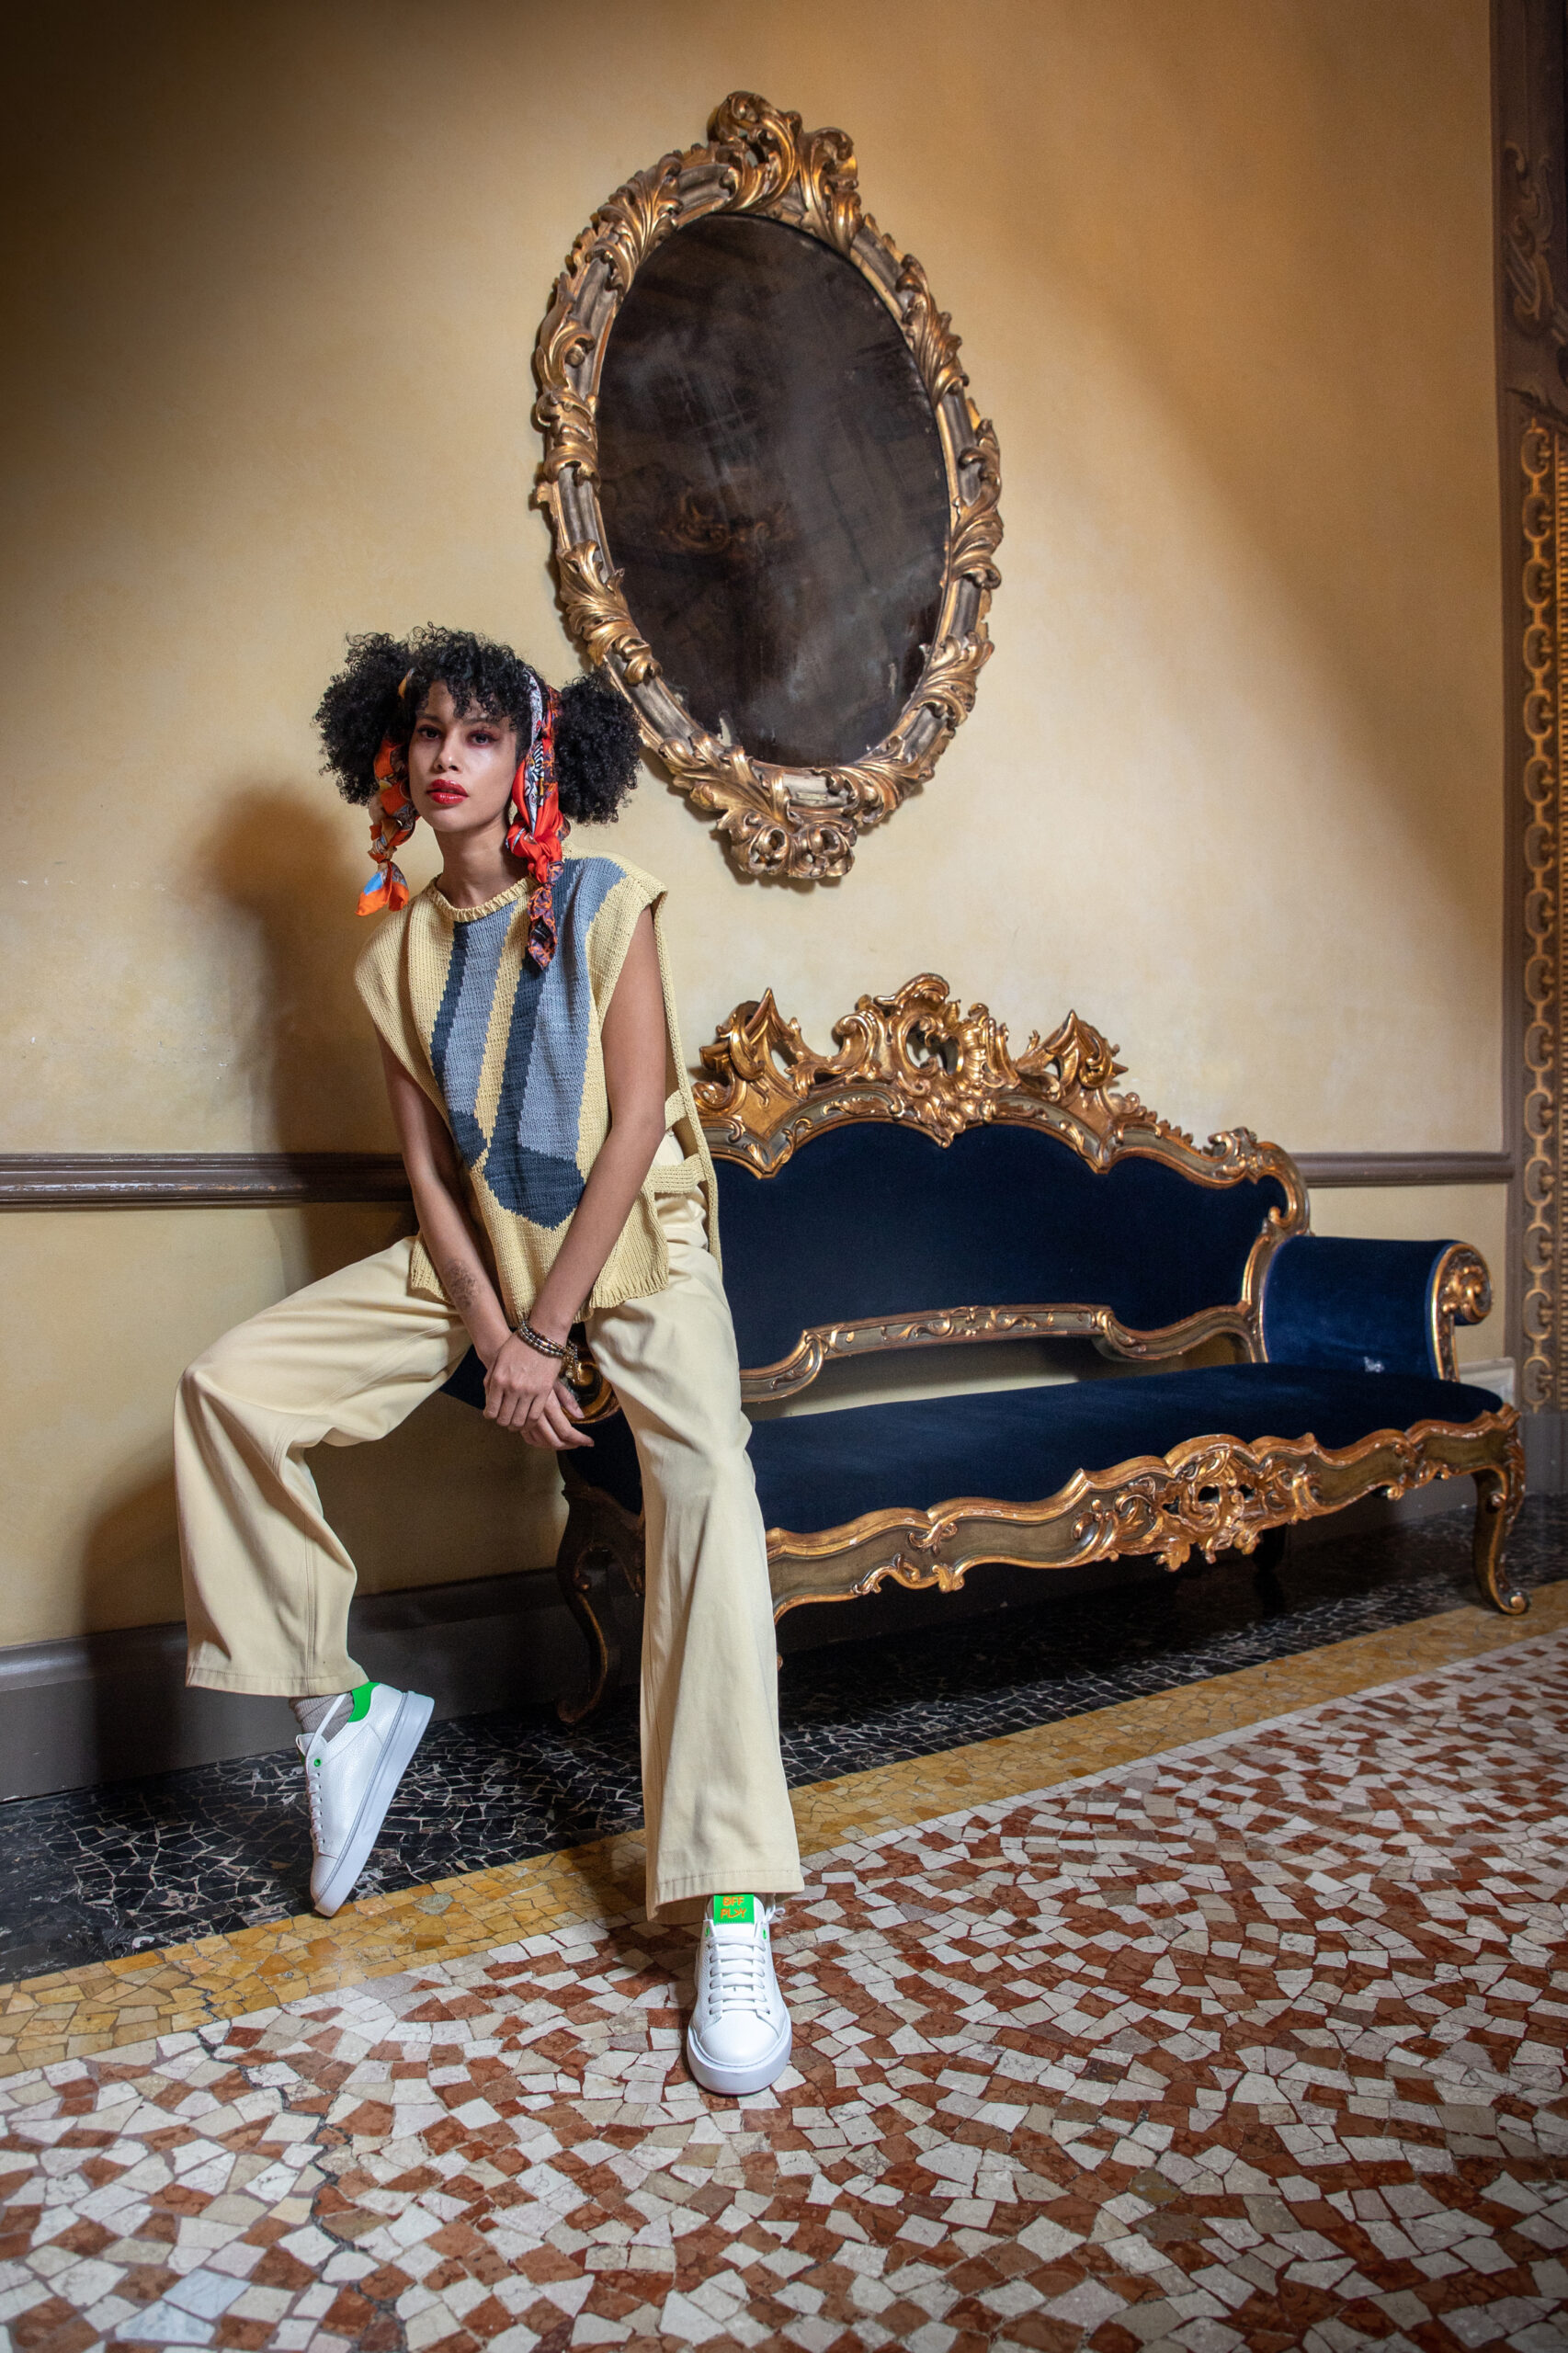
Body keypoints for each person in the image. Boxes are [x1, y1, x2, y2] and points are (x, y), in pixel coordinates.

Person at [175, 627, 801, 2096]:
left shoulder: (603, 901)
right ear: (392, 763)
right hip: (486, 1257)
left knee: (708, 1493)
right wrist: (489, 1325)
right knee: (228, 1388)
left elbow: (634, 1121)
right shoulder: (393, 957)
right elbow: (432, 1180)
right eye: (426, 736)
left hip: (633, 1244)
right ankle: (337, 1709)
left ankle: (728, 1903)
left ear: (530, 762)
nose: (446, 758)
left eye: (479, 736)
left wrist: (545, 1331)